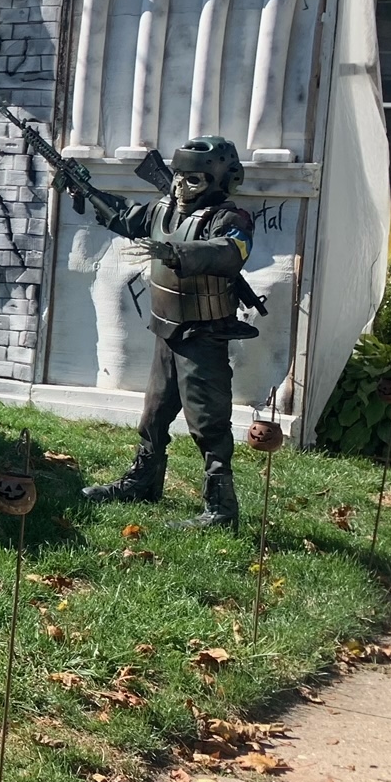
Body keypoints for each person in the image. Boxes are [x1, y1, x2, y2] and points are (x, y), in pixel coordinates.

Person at [83, 136, 258, 530]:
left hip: (204, 334)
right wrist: (85, 191)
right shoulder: (164, 209)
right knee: (155, 413)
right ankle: (144, 482)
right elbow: (126, 217)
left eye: (193, 180)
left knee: (207, 421)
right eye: (177, 177)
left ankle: (221, 509)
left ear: (218, 182)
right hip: (167, 328)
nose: (180, 187)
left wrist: (177, 254)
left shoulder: (231, 218)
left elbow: (230, 252)